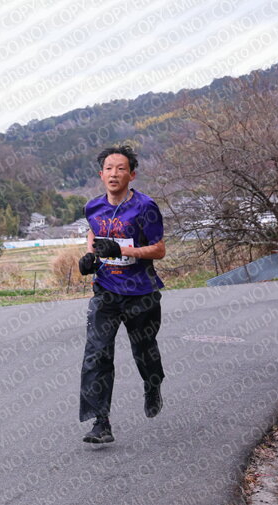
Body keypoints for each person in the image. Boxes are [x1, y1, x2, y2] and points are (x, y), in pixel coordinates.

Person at [77, 145, 165, 444]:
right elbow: (93, 232)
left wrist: (122, 249)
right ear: (101, 174)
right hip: (106, 290)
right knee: (97, 353)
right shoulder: (93, 207)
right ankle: (100, 422)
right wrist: (91, 257)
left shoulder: (145, 207)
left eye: (121, 169)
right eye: (109, 169)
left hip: (142, 292)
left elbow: (159, 249)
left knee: (144, 350)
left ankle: (152, 385)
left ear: (132, 175)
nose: (114, 174)